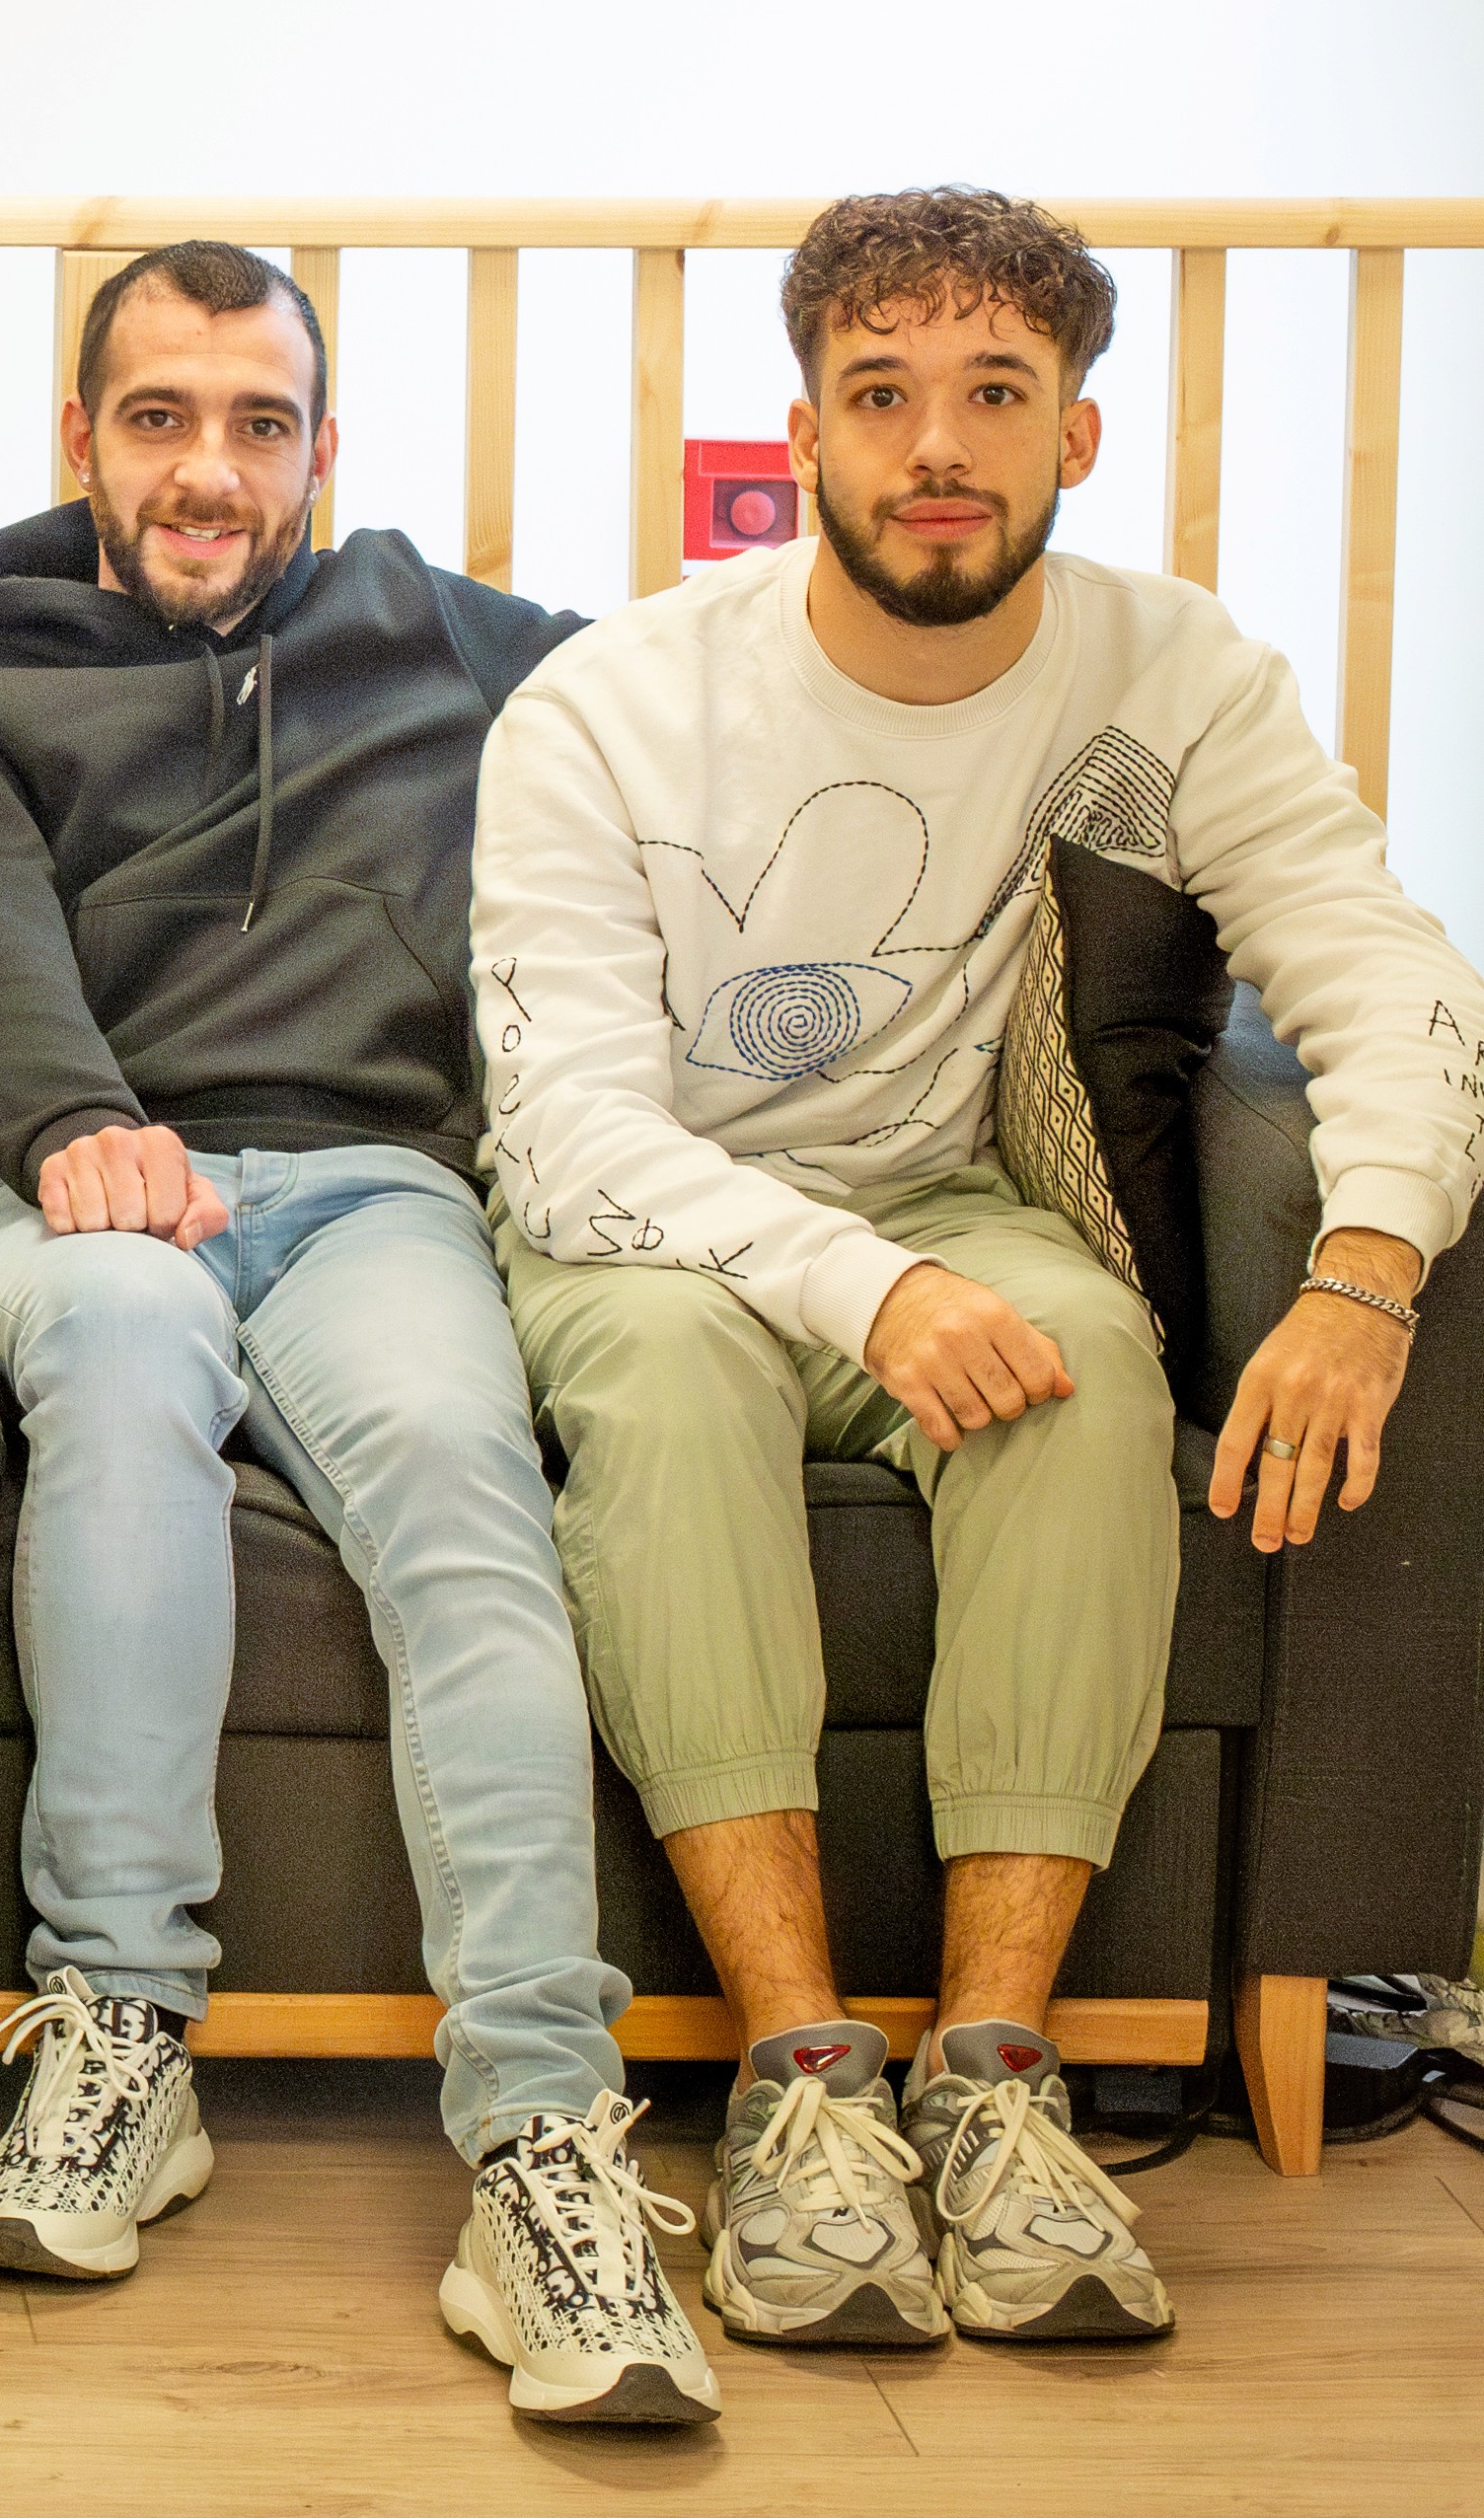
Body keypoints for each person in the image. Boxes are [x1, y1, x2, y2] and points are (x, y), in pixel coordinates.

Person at [477, 185, 1482, 2352]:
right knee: (662, 1379)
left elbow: (1376, 967)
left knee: (1092, 1360)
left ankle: (993, 2081)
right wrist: (859, 1294)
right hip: (653, 1218)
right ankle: (797, 2084)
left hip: (947, 1205)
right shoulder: (608, 706)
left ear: (1073, 440)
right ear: (807, 434)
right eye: (882, 394)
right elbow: (570, 1129)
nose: (936, 442)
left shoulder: (1173, 673)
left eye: (993, 395)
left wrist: (1366, 1260)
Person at [0, 243, 714, 2427]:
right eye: (159, 418)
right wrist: (68, 1121)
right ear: (81, 441)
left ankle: (540, 2138)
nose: (208, 470)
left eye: (257, 424)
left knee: (457, 1474)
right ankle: (119, 2039)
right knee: (121, 1364)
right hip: (80, 1188)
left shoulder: (460, 648)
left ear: (322, 450)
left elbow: (738, 687)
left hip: (371, 1189)